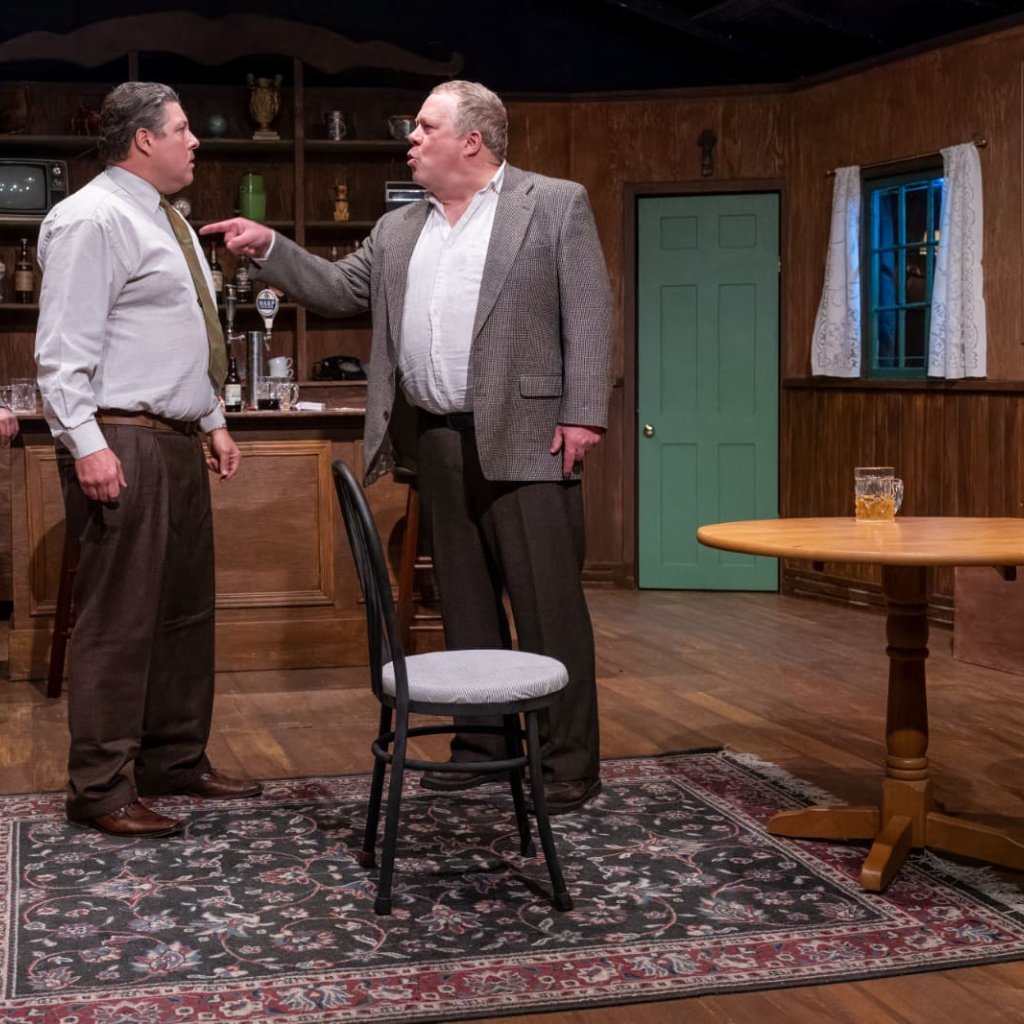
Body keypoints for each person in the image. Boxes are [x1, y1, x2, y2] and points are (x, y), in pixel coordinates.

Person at [203, 80, 612, 814]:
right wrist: (267, 246)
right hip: (438, 439)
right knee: (464, 604)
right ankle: (483, 746)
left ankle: (567, 763)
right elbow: (333, 288)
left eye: (425, 127)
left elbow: (589, 312)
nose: (412, 139)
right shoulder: (400, 229)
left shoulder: (552, 204)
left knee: (547, 607)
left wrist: (584, 414)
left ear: (472, 141)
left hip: (530, 436)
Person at [35, 82, 262, 840]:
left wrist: (213, 420)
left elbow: (176, 335)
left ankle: (173, 758)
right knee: (120, 620)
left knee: (184, 612)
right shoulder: (91, 218)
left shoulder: (167, 221)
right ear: (142, 140)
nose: (195, 142)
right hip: (121, 435)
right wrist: (87, 443)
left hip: (173, 435)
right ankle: (100, 786)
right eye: (183, 129)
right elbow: (63, 350)